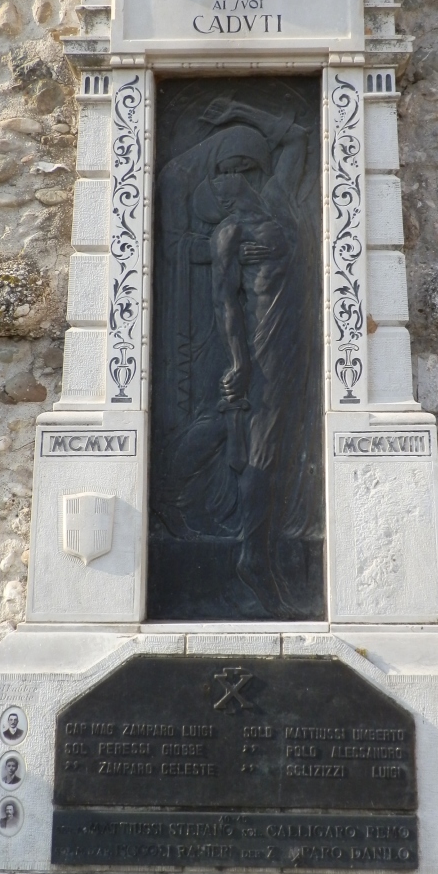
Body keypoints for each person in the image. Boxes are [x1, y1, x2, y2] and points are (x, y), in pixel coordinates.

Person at [151, 92, 322, 618]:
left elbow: (297, 136)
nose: (221, 187)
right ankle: (253, 564)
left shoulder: (281, 200)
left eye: (226, 175)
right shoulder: (228, 235)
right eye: (218, 178)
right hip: (261, 353)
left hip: (296, 349)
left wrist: (240, 112)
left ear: (242, 176)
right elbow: (225, 306)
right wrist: (238, 363)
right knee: (261, 457)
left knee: (279, 454)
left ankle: (262, 558)